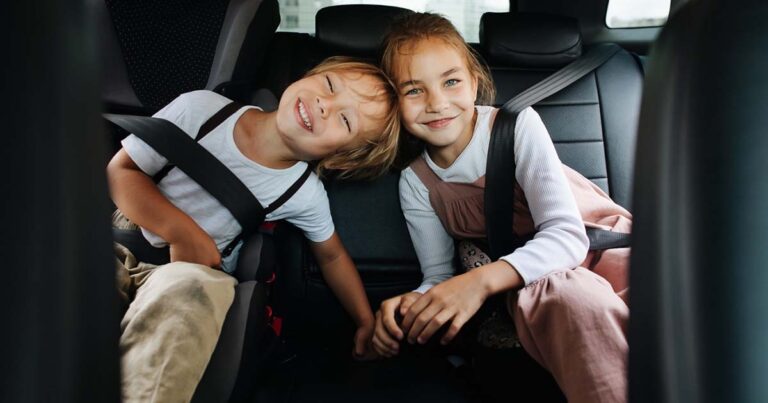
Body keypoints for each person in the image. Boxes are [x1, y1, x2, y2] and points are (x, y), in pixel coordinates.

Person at [107, 56, 400, 403]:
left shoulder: (302, 192)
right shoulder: (201, 109)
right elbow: (122, 172)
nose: (326, 105)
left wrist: (365, 320)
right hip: (124, 243)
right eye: (331, 86)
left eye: (345, 119)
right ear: (310, 74)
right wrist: (182, 232)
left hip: (196, 276)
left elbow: (332, 256)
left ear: (340, 157)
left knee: (190, 300)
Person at [371, 13, 629, 403]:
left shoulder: (516, 127)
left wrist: (478, 282)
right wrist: (415, 302)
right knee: (566, 296)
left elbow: (566, 235)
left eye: (451, 81)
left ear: (474, 81)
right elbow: (440, 276)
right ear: (395, 102)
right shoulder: (416, 181)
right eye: (413, 91)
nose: (437, 103)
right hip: (531, 276)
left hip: (599, 247)